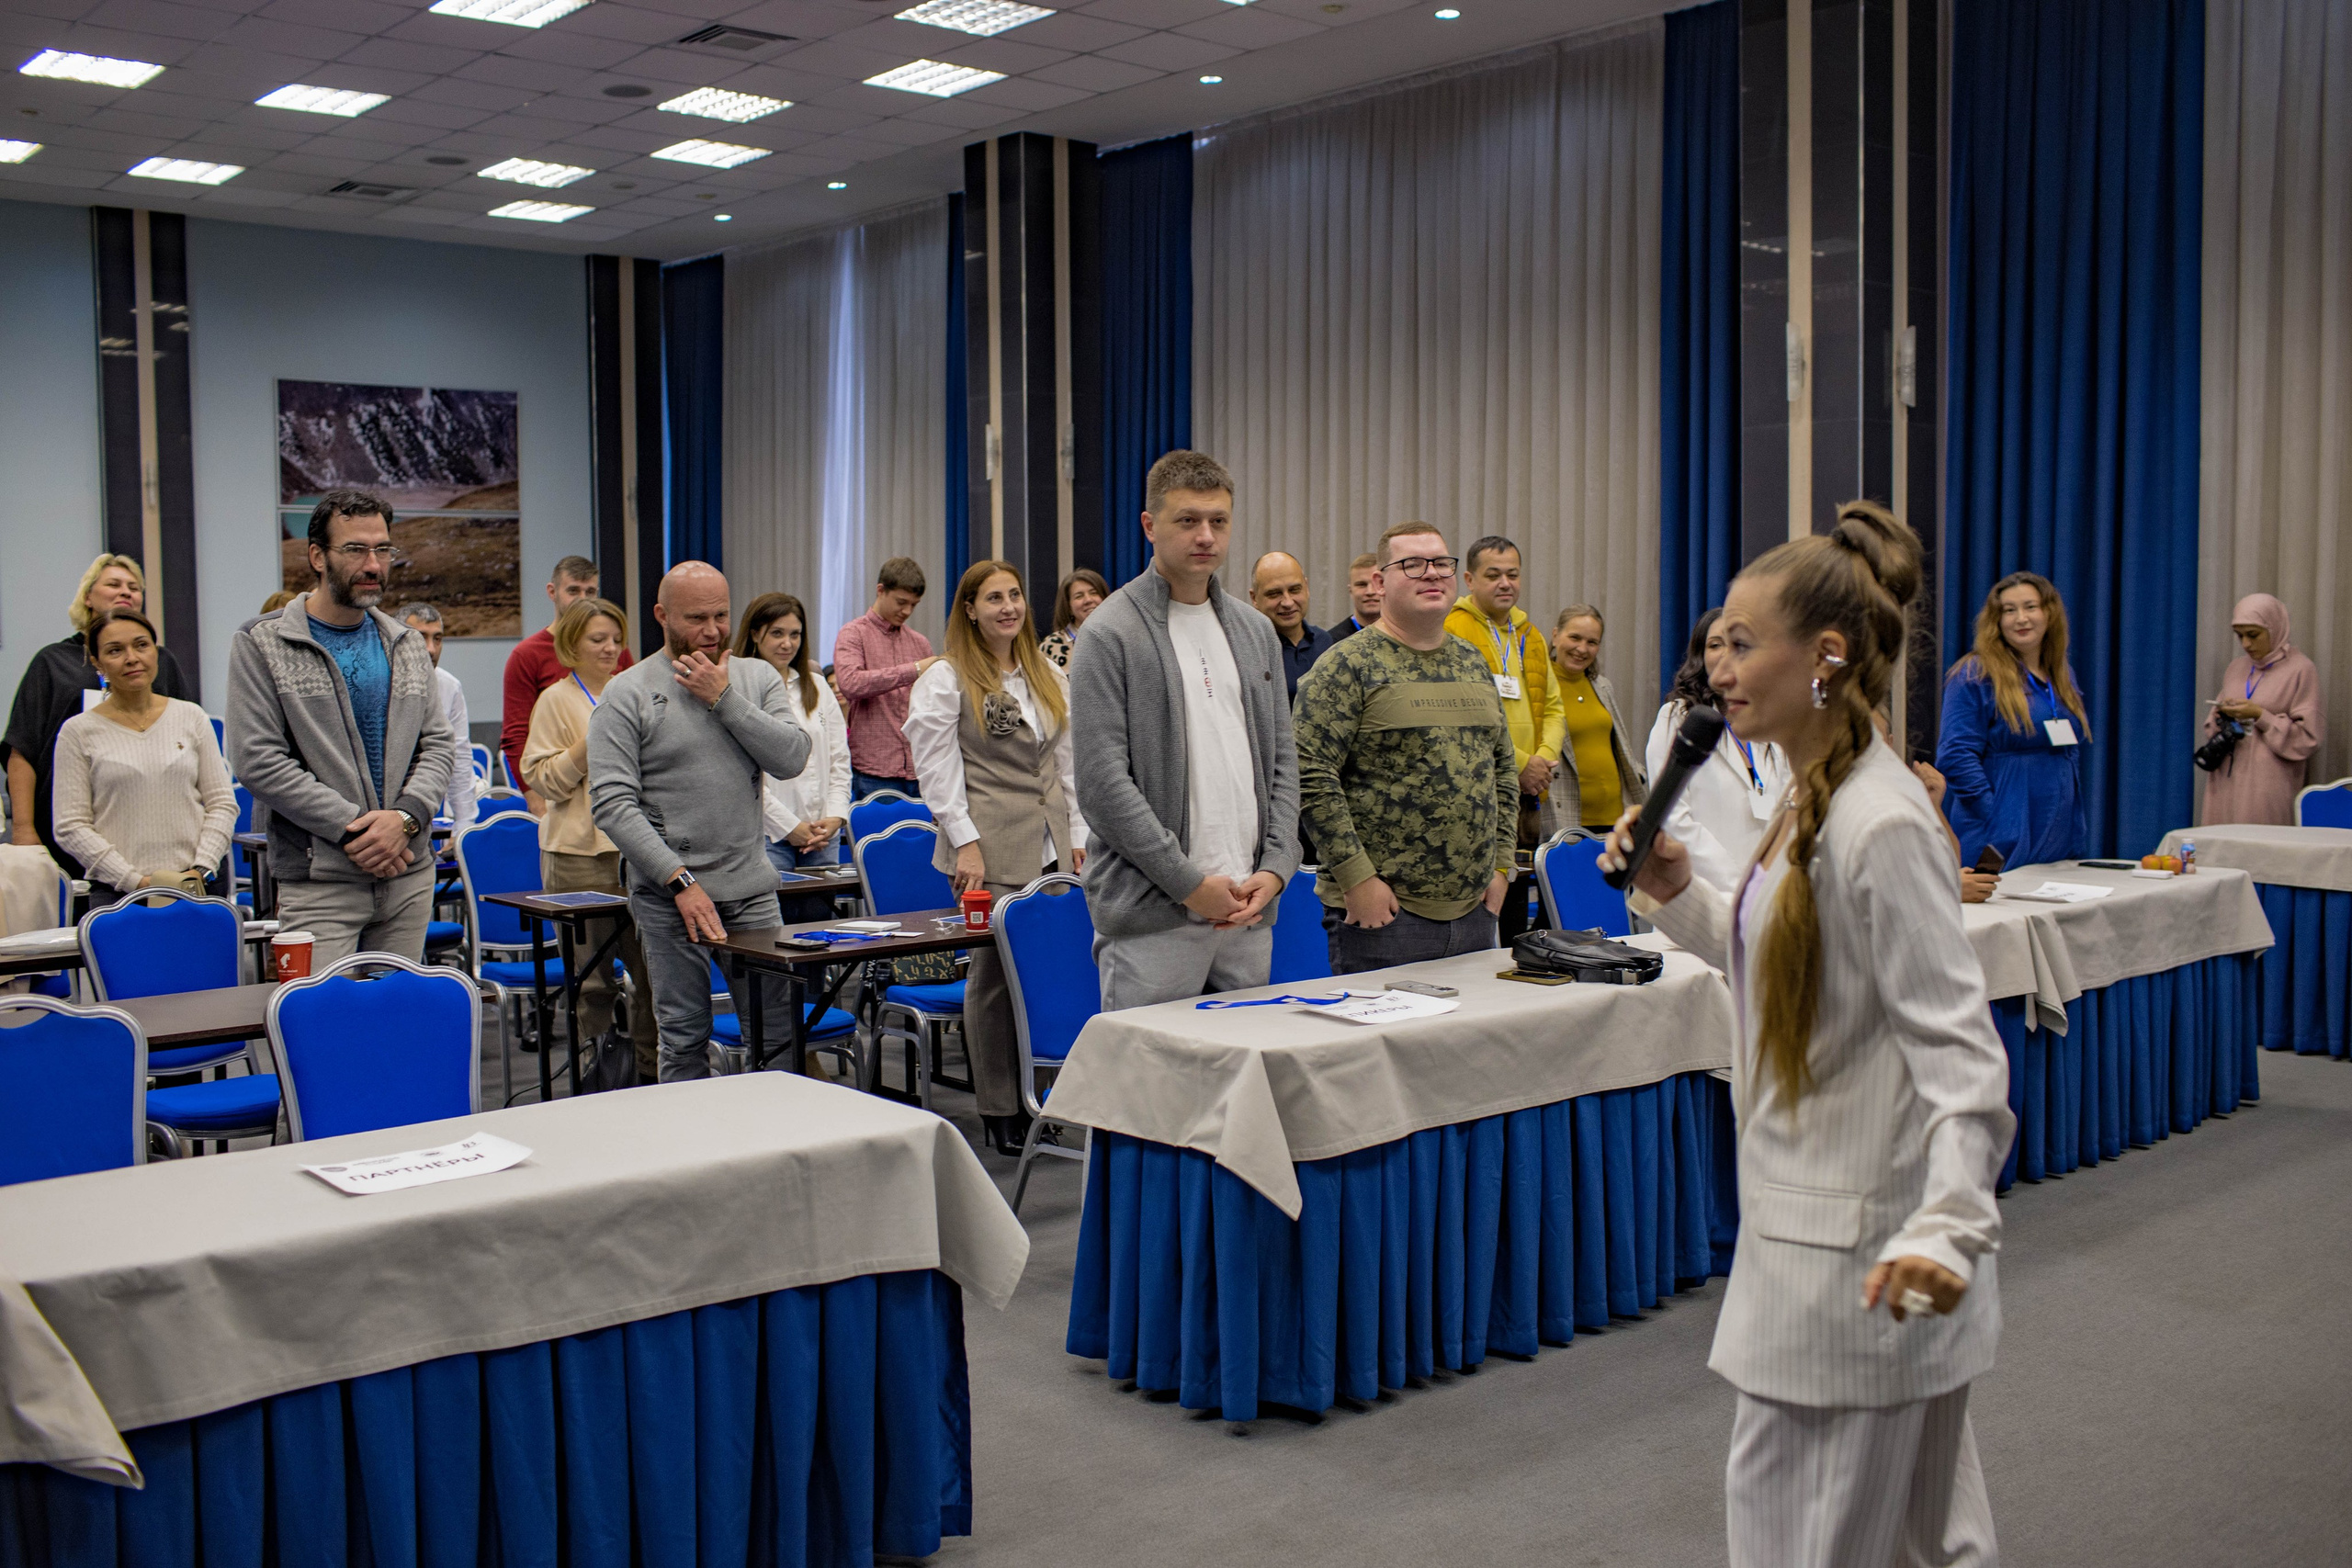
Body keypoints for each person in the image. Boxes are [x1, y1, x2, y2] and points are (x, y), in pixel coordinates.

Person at [1599, 499, 2010, 1568]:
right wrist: (1683, 889)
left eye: (1742, 642)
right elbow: (1791, 972)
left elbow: (1962, 1056)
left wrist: (1948, 1226)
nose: (1717, 667)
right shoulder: (1809, 792)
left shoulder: (1876, 820)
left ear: (1825, 656)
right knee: (1929, 1545)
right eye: (1715, 643)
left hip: (1862, 1266)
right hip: (1819, 1246)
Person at [1073, 452, 1298, 1012]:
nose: (1206, 535)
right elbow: (1103, 785)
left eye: (1218, 521)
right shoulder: (1110, 633)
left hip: (1248, 909)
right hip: (1155, 914)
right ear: (1150, 526)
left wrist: (1276, 868)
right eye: (1188, 520)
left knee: (1243, 1088)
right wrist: (1190, 884)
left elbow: (1283, 765)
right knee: (1151, 1093)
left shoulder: (1254, 632)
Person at [588, 561, 809, 1083]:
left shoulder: (756, 678)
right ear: (662, 615)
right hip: (670, 895)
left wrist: (722, 697)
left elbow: (791, 757)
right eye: (696, 619)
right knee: (684, 1036)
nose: (711, 631)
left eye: (721, 616)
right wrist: (679, 880)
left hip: (751, 889)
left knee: (776, 1033)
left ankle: (779, 1148)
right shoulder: (628, 692)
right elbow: (614, 804)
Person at [226, 490, 459, 965]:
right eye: (355, 550)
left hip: (407, 876)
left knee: (396, 1027)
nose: (373, 565)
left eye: (383, 550)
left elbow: (437, 744)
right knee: (321, 1031)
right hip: (321, 882)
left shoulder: (406, 643)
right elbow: (258, 760)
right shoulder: (263, 643)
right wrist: (356, 832)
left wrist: (406, 819)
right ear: (317, 556)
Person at [907, 558, 1086, 1154]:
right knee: (992, 982)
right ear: (970, 609)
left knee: (1042, 974)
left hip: (1052, 841)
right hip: (989, 842)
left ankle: (1041, 1099)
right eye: (993, 598)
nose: (1008, 606)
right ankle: (998, 1106)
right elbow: (938, 770)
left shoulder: (1046, 672)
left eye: (1014, 594)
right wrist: (966, 844)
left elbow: (1069, 766)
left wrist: (1080, 835)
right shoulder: (946, 676)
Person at [1294, 522, 1515, 973]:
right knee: (1385, 1045)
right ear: (1379, 581)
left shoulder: (1471, 661)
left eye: (1441, 563)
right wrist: (1357, 879)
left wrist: (1501, 866)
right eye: (1412, 565)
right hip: (1384, 915)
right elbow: (1309, 774)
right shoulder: (1345, 664)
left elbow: (1503, 769)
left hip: (1475, 910)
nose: (1431, 573)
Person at [520, 598, 658, 1082]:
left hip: (638, 853)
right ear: (571, 644)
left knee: (651, 975)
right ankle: (595, 1077)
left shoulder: (634, 692)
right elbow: (543, 780)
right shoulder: (556, 700)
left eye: (617, 640)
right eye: (598, 640)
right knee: (592, 981)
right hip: (578, 857)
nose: (611, 648)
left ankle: (650, 1075)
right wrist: (588, 744)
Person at [5, 553, 197, 874]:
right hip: (64, 830)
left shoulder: (159, 663)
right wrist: (24, 830)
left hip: (151, 829)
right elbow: (22, 750)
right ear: (88, 597)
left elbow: (189, 744)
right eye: (114, 584)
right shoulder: (52, 663)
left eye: (134, 587)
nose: (126, 592)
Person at [50, 608, 235, 908]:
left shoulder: (191, 717)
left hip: (200, 887)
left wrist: (200, 868)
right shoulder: (78, 732)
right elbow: (71, 826)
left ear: (155, 651)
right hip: (119, 896)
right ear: (97, 662)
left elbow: (222, 804)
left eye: (141, 645)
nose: (131, 658)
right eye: (115, 651)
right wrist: (136, 882)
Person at [1444, 536, 1566, 942]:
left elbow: (1553, 707)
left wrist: (1543, 761)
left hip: (1527, 793)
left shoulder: (1528, 632)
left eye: (1512, 574)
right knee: (1482, 903)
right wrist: (1520, 763)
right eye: (1492, 575)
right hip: (1480, 791)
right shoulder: (1451, 629)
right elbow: (1461, 715)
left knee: (1516, 899)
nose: (1504, 584)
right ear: (1469, 579)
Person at [1935, 571, 2089, 867]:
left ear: (2049, 613)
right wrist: (1996, 812)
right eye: (2009, 610)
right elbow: (1955, 756)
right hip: (1998, 830)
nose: (2021, 619)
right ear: (1997, 620)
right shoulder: (1974, 675)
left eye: (2030, 607)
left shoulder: (2061, 674)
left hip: (2057, 830)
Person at [1645, 609, 1793, 896]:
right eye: (1715, 644)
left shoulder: (1769, 724)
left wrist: (1769, 883)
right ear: (1700, 656)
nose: (1727, 653)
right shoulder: (1677, 718)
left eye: (1738, 644)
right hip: (1700, 896)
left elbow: (1788, 811)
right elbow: (1672, 817)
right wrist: (1741, 885)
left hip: (1767, 897)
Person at [736, 592, 851, 926]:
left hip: (822, 834)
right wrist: (790, 828)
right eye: (777, 633)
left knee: (820, 934)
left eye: (795, 634)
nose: (787, 643)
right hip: (768, 836)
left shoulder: (816, 685)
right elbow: (744, 776)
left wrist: (834, 817)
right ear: (755, 634)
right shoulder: (739, 690)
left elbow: (838, 759)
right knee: (775, 939)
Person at [501, 555, 632, 810]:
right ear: (553, 592)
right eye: (573, 590)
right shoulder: (527, 655)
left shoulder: (615, 651)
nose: (583, 599)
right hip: (557, 790)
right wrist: (535, 800)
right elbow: (516, 736)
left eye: (591, 591)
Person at [2199, 592, 2324, 827]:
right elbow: (2211, 727)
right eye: (2240, 636)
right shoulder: (2237, 668)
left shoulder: (2301, 669)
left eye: (2253, 635)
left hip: (2267, 785)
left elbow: (2309, 737)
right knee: (2220, 847)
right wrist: (2222, 716)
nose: (2246, 644)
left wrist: (2260, 715)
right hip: (2225, 778)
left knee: (2262, 850)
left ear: (2274, 628)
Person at [833, 557, 938, 799]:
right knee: (875, 839)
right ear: (881, 591)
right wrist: (914, 669)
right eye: (901, 602)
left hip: (920, 770)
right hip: (874, 773)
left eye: (914, 604)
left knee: (923, 838)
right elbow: (850, 683)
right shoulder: (853, 633)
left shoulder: (920, 643)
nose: (907, 611)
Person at [1547, 604, 1649, 840]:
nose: (1582, 649)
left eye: (1592, 642)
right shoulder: (1539, 687)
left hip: (1615, 820)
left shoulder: (1603, 686)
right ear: (1555, 635)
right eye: (1575, 638)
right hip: (1567, 820)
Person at [399, 603, 477, 826]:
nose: (431, 649)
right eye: (421, 637)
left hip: (423, 807)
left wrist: (463, 825)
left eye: (438, 638)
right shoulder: (376, 682)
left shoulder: (449, 687)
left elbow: (459, 756)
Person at [1250, 550, 1335, 702]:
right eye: (1274, 593)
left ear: (1307, 588)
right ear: (1254, 598)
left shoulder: (1326, 642)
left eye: (1295, 590)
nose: (1288, 602)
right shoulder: (1250, 652)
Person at [1039, 569, 1109, 670]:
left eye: (1094, 593)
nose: (1088, 600)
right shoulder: (1051, 646)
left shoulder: (1117, 639)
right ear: (1069, 607)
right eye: (1079, 596)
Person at [1325, 553, 1384, 643]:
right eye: (1361, 585)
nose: (1370, 592)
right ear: (1350, 590)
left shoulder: (1405, 635)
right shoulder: (1332, 641)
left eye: (1376, 584)